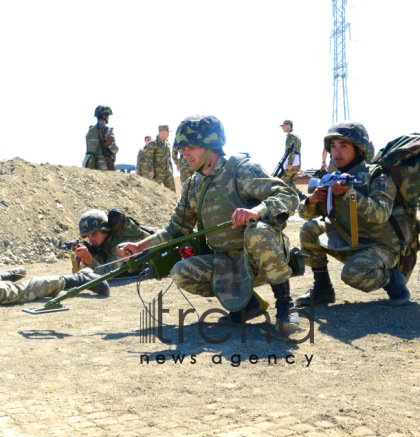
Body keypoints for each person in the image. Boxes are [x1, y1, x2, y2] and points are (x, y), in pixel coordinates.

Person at [118, 115, 301, 331]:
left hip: (256, 256)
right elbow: (176, 228)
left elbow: (288, 195)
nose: (184, 154)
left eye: (191, 147)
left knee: (258, 232)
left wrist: (256, 212)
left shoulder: (241, 169)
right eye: (182, 148)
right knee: (181, 271)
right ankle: (246, 306)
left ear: (211, 146)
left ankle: (285, 306)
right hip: (226, 262)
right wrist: (140, 246)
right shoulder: (192, 185)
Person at [296, 121, 410, 307]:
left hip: (380, 247)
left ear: (358, 149)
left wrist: (350, 194)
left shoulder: (377, 176)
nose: (336, 152)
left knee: (352, 274)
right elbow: (305, 215)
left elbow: (380, 214)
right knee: (309, 229)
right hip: (350, 239)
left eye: (343, 146)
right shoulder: (333, 177)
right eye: (333, 146)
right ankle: (322, 289)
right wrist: (312, 200)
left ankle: (392, 279)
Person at [73, 209, 152, 276]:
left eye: (94, 235)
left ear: (106, 231)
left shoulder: (122, 246)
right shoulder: (102, 245)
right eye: (88, 236)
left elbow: (106, 275)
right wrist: (83, 260)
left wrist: (88, 258)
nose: (91, 240)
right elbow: (85, 274)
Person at [83, 105, 118, 171]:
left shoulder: (90, 131)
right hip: (103, 166)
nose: (108, 118)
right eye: (108, 116)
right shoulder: (107, 130)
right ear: (104, 116)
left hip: (90, 166)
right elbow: (114, 149)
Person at [145, 125, 176, 192]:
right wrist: (151, 171)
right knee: (154, 192)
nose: (168, 134)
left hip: (168, 172)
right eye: (167, 132)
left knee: (173, 193)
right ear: (162, 132)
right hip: (157, 173)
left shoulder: (167, 143)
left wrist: (171, 169)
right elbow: (149, 158)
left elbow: (169, 158)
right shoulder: (153, 143)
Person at [279, 120, 303, 199]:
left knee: (283, 182)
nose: (282, 128)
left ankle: (301, 196)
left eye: (283, 126)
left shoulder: (291, 136)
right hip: (297, 163)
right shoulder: (296, 135)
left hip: (292, 163)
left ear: (289, 125)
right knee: (291, 183)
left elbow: (291, 150)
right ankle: (296, 200)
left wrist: (290, 163)